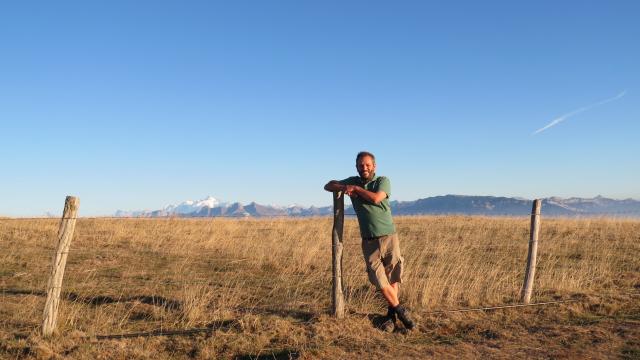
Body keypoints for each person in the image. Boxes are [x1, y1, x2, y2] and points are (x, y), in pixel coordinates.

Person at [324, 151, 415, 331]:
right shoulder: (353, 181)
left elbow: (376, 198)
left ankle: (390, 318)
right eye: (360, 165)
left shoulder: (382, 181)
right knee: (379, 280)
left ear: (374, 166)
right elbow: (328, 185)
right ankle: (401, 311)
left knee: (392, 276)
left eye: (367, 165)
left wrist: (356, 190)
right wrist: (344, 188)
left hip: (388, 236)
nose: (364, 168)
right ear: (356, 167)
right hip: (368, 241)